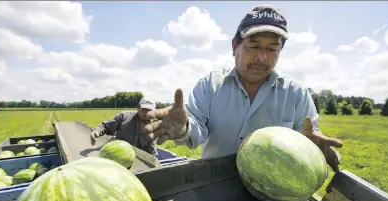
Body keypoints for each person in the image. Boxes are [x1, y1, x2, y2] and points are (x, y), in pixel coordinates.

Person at [142, 4, 343, 172]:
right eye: (254, 46)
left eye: (272, 48)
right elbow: (195, 127)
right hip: (212, 183)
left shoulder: (296, 93)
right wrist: (183, 127)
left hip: (272, 189)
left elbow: (309, 136)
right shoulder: (211, 85)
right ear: (234, 47)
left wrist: (311, 148)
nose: (262, 57)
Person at [90, 97, 158, 157]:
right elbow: (106, 126)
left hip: (139, 161)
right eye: (143, 109)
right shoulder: (124, 116)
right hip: (117, 155)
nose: (145, 112)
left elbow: (152, 151)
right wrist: (97, 131)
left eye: (149, 110)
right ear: (138, 107)